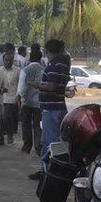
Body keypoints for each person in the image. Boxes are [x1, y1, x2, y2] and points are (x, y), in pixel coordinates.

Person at [29, 38, 71, 180]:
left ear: (47, 51)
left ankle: (47, 170)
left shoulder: (53, 65)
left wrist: (37, 85)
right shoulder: (64, 64)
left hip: (51, 109)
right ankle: (53, 168)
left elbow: (51, 86)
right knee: (57, 141)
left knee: (48, 142)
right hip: (59, 106)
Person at [18, 45, 44, 155]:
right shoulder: (44, 70)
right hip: (39, 103)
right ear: (40, 59)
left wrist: (21, 97)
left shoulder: (25, 70)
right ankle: (38, 147)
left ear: (30, 58)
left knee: (26, 124)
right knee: (38, 125)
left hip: (27, 102)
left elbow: (21, 88)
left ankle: (27, 146)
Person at [0, 52, 21, 146]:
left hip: (12, 98)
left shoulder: (17, 70)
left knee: (7, 117)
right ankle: (1, 137)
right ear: (3, 61)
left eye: (10, 60)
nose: (8, 62)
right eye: (6, 60)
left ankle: (8, 135)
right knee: (1, 119)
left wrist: (18, 98)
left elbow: (20, 85)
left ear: (13, 61)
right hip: (1, 98)